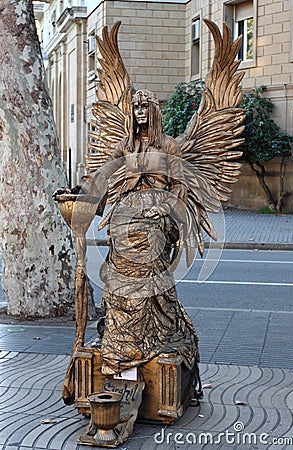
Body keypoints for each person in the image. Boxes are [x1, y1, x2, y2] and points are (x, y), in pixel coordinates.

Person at [90, 89, 199, 375]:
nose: (139, 111)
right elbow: (101, 176)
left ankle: (154, 329)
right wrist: (82, 195)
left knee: (144, 238)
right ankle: (123, 337)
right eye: (135, 107)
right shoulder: (125, 146)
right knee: (123, 241)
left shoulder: (169, 146)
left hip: (158, 214)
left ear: (153, 110)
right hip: (126, 212)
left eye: (144, 106)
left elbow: (180, 186)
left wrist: (163, 209)